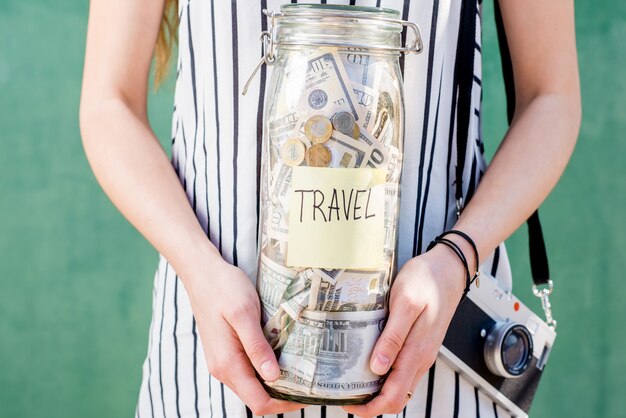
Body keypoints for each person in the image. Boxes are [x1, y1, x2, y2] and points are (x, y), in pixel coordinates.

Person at [79, 0, 580, 417]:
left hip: (435, 363)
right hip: (212, 358)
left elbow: (550, 97)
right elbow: (110, 103)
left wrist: (456, 259)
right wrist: (196, 266)